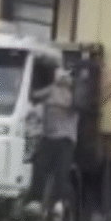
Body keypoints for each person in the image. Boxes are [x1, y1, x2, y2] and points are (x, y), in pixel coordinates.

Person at [30, 67, 78, 207]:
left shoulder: (71, 94)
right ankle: (42, 203)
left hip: (63, 140)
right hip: (53, 139)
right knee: (41, 171)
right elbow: (33, 95)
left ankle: (60, 204)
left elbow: (33, 95)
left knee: (59, 177)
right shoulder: (54, 90)